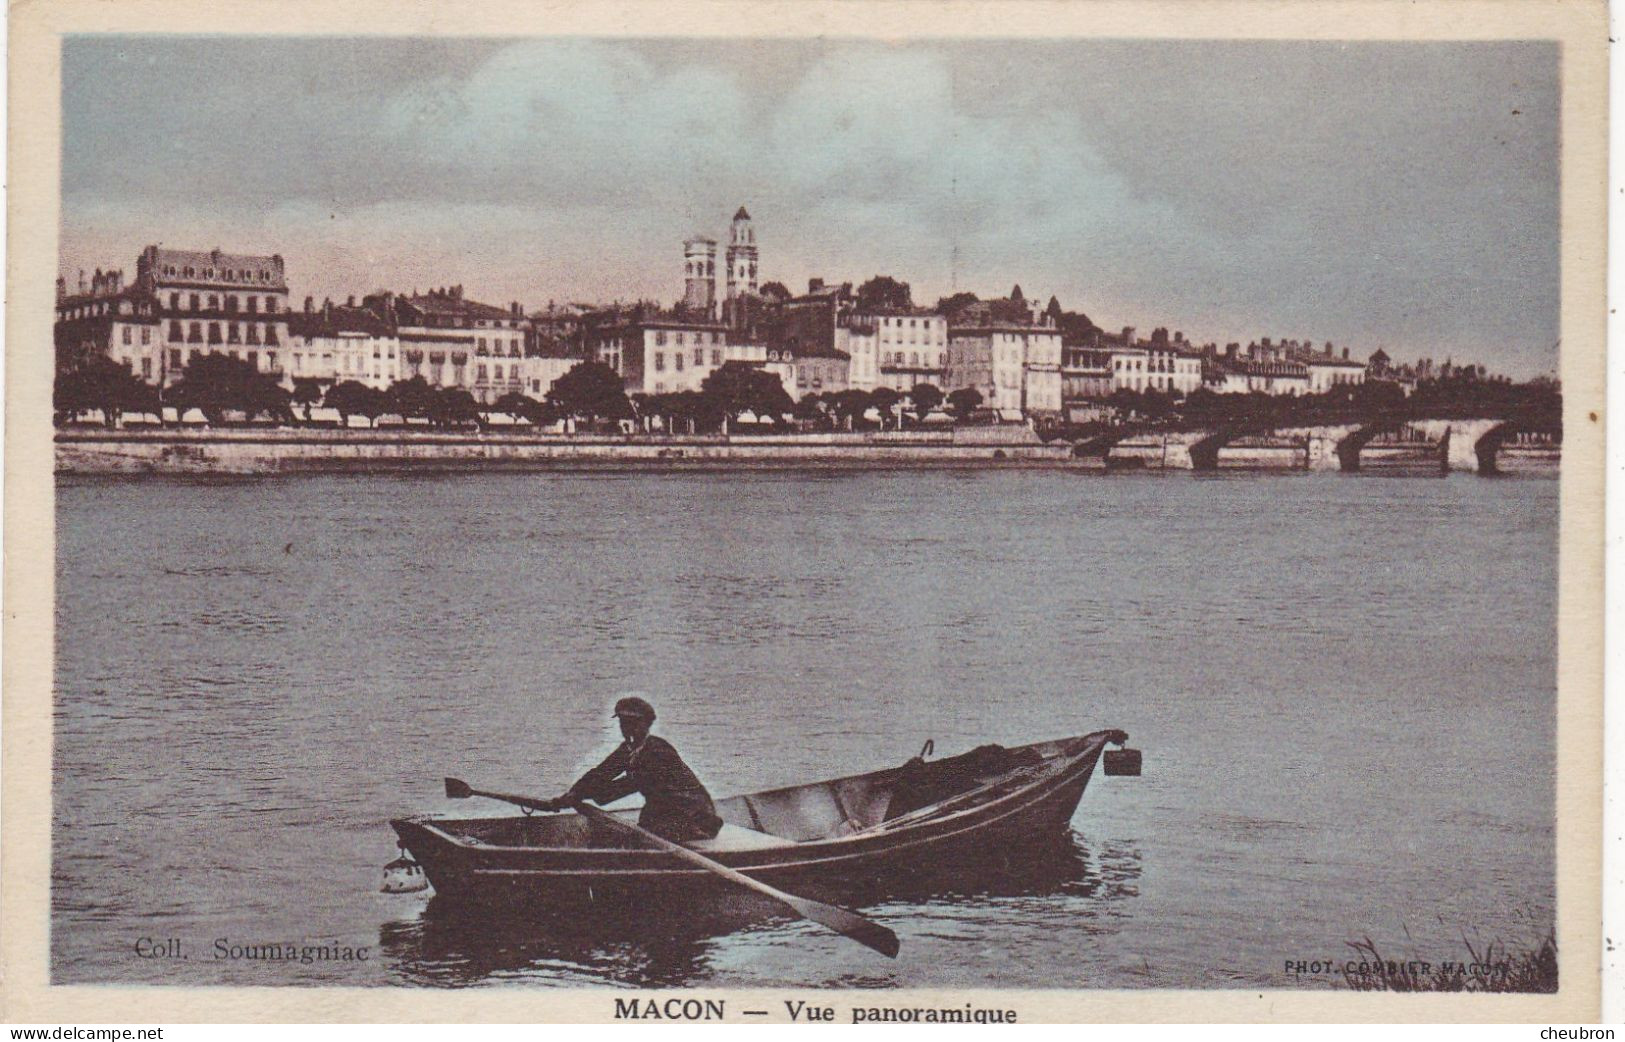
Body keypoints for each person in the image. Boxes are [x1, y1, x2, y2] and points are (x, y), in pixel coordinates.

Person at [542, 696, 723, 843]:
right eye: (623, 723)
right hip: (663, 811)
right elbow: (600, 773)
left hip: (693, 815)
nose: (627, 728)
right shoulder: (628, 749)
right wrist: (574, 792)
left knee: (640, 835)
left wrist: (582, 796)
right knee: (639, 831)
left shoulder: (659, 752)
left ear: (646, 724)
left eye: (633, 723)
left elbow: (628, 785)